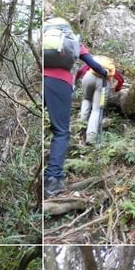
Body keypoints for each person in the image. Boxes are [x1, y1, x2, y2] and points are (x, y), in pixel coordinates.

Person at [43, 17, 108, 198]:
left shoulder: (45, 37)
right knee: (61, 132)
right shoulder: (72, 40)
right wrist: (104, 73)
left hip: (41, 80)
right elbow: (92, 63)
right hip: (60, 83)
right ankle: (52, 180)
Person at [75, 57, 124, 145]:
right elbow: (120, 80)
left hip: (88, 78)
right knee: (96, 110)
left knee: (86, 100)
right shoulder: (110, 66)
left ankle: (80, 129)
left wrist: (75, 79)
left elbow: (80, 71)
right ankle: (91, 138)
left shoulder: (93, 61)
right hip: (103, 83)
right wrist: (117, 88)